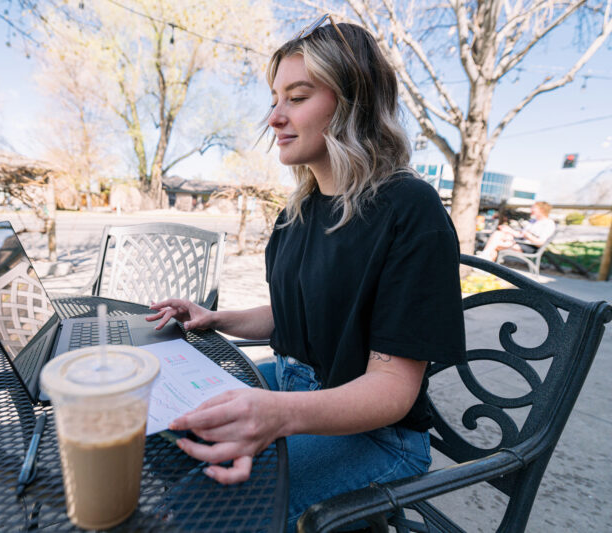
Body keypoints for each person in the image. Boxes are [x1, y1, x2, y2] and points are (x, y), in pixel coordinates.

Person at [147, 15, 465, 530]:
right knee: (159, 431)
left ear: (352, 102)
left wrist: (279, 414)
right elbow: (297, 312)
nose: (274, 117)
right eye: (275, 99)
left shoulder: (409, 208)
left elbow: (392, 389)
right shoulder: (299, 210)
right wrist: (218, 317)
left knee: (198, 513)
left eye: (297, 97)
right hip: (294, 385)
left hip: (376, 433)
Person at [478, 201, 555, 262]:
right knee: (498, 234)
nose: (531, 209)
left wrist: (527, 235)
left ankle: (483, 259)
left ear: (542, 210)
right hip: (519, 242)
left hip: (529, 247)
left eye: (534, 207)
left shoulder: (548, 223)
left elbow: (540, 243)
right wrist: (509, 230)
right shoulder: (533, 221)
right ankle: (485, 261)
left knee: (494, 245)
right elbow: (521, 235)